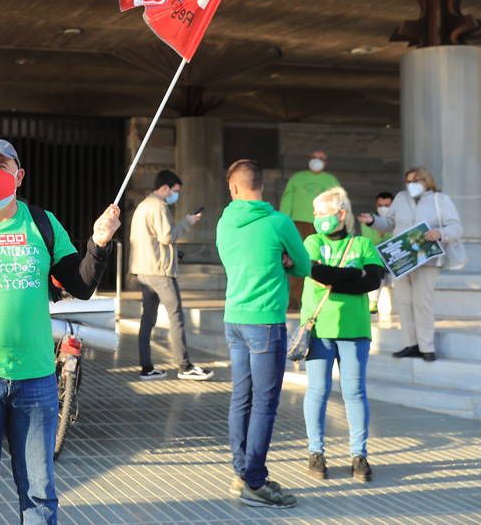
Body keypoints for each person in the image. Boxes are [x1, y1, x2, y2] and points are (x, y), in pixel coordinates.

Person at [0, 137, 120, 524]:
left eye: (2, 165)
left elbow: (79, 285)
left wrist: (98, 242)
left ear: (19, 175)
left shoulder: (42, 223)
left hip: (37, 378)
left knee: (40, 494)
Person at [216, 159, 310, 509]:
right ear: (262, 186)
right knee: (265, 404)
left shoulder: (225, 220)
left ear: (234, 188)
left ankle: (241, 471)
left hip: (234, 318)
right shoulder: (278, 222)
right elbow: (303, 264)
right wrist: (283, 261)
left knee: (242, 397)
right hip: (266, 321)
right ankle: (254, 481)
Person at [300, 187, 383, 483]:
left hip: (355, 330)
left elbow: (373, 280)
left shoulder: (362, 244)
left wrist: (336, 278)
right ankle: (315, 452)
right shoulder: (311, 241)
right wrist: (353, 275)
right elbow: (314, 272)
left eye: (322, 212)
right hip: (320, 328)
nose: (317, 217)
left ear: (341, 214)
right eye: (316, 212)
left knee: (355, 393)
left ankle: (359, 455)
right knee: (317, 391)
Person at [358, 167, 462, 362]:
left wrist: (440, 233)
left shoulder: (440, 200)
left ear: (426, 180)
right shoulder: (400, 198)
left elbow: (456, 226)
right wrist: (373, 221)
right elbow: (389, 223)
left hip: (427, 260)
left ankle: (426, 346)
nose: (411, 185)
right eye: (408, 181)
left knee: (423, 302)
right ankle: (410, 344)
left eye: (415, 180)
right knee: (404, 302)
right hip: (402, 260)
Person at [129, 169, 212, 381]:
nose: (176, 196)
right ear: (165, 188)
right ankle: (184, 366)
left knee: (147, 319)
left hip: (143, 270)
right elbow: (168, 236)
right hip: (160, 272)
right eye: (175, 191)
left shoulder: (143, 205)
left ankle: (146, 367)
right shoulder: (159, 206)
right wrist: (187, 222)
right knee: (176, 317)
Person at [280, 149, 341, 310]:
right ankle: (294, 301)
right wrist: (284, 224)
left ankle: (321, 301)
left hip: (324, 224)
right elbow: (287, 201)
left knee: (323, 262)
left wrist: (337, 224)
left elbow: (339, 203)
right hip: (299, 224)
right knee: (297, 261)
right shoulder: (297, 178)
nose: (317, 160)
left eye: (321, 158)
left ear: (326, 162)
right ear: (308, 159)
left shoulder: (331, 180)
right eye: (314, 157)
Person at [360, 192, 394, 314]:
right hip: (377, 258)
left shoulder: (398, 220)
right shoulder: (368, 220)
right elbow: (371, 241)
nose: (383, 208)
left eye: (387, 205)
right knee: (375, 268)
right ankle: (373, 302)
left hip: (394, 257)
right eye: (380, 205)